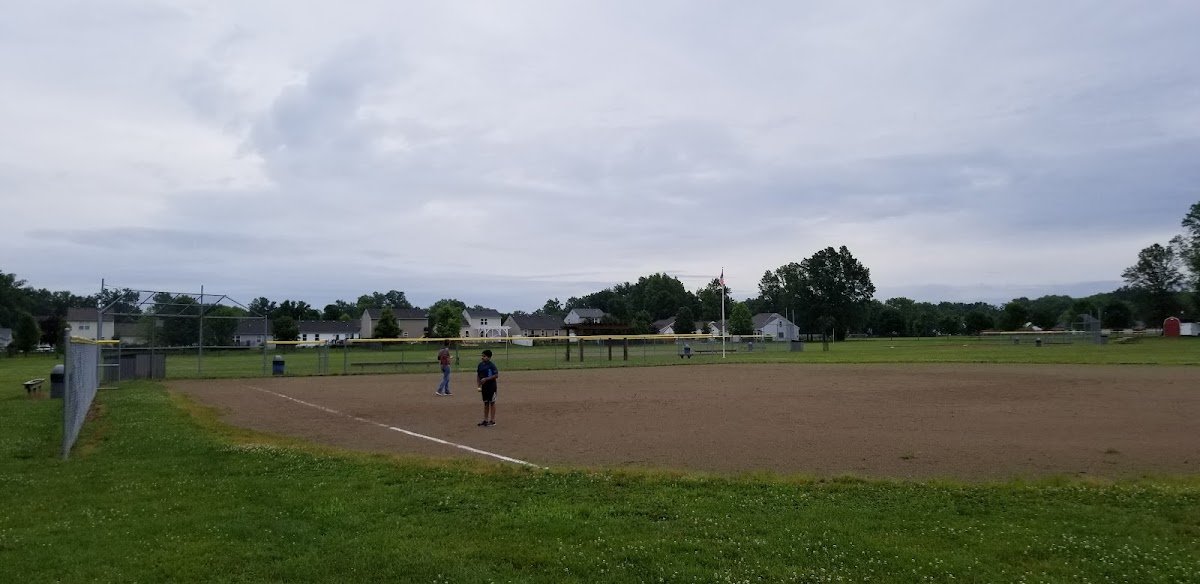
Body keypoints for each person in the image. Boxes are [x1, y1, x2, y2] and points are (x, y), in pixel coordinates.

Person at [476, 349, 499, 426]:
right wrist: (478, 385)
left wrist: (486, 379)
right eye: (482, 356)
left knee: (492, 403)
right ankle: (485, 420)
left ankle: (492, 421)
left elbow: (496, 375)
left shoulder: (492, 365)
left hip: (491, 387)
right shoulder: (480, 365)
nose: (482, 357)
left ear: (489, 357)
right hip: (484, 388)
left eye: (484, 356)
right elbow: (478, 375)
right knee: (486, 403)